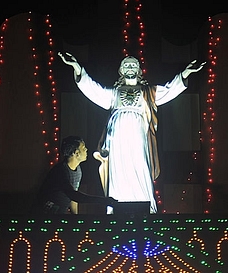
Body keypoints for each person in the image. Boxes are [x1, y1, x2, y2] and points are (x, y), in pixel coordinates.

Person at [58, 52, 205, 213]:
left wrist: (185, 73)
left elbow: (169, 89)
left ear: (139, 70)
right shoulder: (114, 93)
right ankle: (116, 207)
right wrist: (77, 68)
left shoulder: (147, 93)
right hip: (117, 137)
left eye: (133, 65)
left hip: (138, 135)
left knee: (140, 166)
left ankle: (146, 207)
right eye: (126, 65)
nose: (130, 67)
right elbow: (93, 89)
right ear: (121, 70)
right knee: (119, 169)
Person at [32, 135, 118, 214]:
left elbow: (74, 197)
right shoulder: (61, 171)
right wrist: (103, 201)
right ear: (76, 153)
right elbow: (74, 195)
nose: (86, 150)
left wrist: (75, 217)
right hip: (44, 215)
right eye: (83, 148)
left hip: (58, 215)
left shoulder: (78, 170)